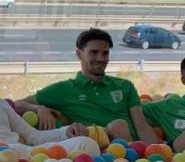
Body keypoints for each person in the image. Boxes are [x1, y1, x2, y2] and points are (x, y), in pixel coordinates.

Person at [16, 28, 159, 144]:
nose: (101, 58)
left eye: (105, 53)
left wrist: (160, 152)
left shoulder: (125, 86)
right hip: (98, 154)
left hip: (135, 151)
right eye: (94, 52)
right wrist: (39, 108)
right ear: (79, 54)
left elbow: (142, 126)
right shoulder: (64, 89)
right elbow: (17, 104)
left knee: (120, 126)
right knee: (118, 125)